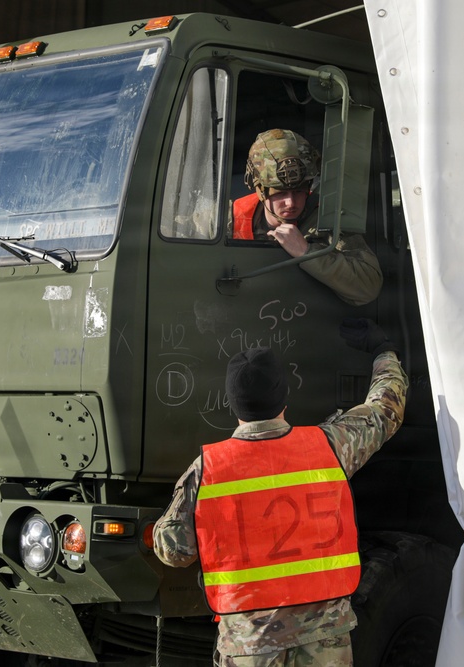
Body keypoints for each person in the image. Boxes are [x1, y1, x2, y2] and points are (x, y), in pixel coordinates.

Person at [153, 318, 408, 666]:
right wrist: (383, 351)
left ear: (232, 403)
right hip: (325, 639)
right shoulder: (329, 447)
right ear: (284, 397)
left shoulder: (207, 470)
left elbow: (174, 550)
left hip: (250, 645)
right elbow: (385, 409)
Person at [232, 129, 383, 307]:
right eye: (280, 193)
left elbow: (369, 287)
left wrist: (307, 253)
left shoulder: (327, 222)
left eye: (299, 191)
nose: (290, 202)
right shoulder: (231, 217)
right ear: (261, 191)